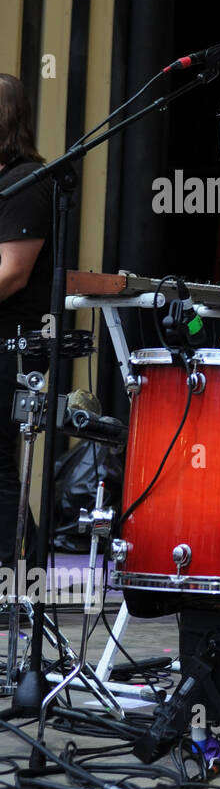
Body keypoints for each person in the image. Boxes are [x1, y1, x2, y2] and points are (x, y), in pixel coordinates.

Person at [0, 74, 52, 570]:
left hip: (14, 339)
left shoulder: (25, 182)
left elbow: (12, 275)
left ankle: (16, 577)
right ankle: (30, 569)